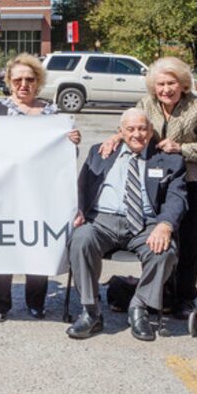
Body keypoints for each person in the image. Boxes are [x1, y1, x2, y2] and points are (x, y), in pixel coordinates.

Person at [99, 57, 197, 317]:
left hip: (190, 180)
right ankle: (157, 294)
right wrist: (114, 137)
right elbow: (130, 130)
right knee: (156, 239)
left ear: (183, 84)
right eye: (160, 84)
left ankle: (185, 297)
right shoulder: (145, 104)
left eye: (171, 83)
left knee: (187, 242)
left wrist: (182, 148)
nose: (165, 89)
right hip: (154, 182)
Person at [66, 109, 187, 341]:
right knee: (80, 239)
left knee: (164, 251)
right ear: (120, 132)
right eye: (130, 129)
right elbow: (81, 187)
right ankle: (90, 311)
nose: (137, 134)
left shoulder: (169, 160)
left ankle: (139, 307)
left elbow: (177, 198)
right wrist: (78, 209)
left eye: (142, 129)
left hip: (146, 224)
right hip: (103, 221)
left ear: (151, 132)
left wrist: (165, 225)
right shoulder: (100, 153)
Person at [0, 54, 82, 322]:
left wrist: (71, 142)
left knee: (37, 243)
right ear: (9, 81)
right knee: (1, 246)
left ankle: (36, 301)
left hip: (41, 194)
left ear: (38, 82)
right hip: (3, 194)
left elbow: (65, 161)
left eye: (29, 79)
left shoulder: (53, 114)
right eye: (18, 79)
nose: (23, 84)